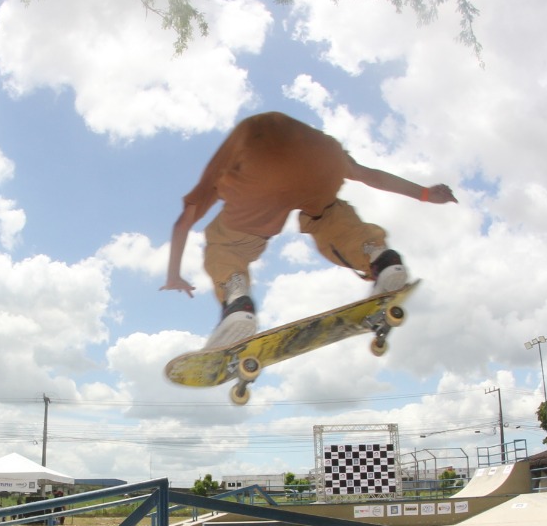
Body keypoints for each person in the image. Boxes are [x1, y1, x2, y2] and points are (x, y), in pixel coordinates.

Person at [162, 111, 457, 348]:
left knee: (226, 243)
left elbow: (182, 224)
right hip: (323, 157)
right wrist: (425, 194)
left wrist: (174, 275)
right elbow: (372, 177)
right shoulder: (325, 146)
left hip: (258, 165)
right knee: (327, 215)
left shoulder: (228, 159)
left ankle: (237, 298)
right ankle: (379, 256)